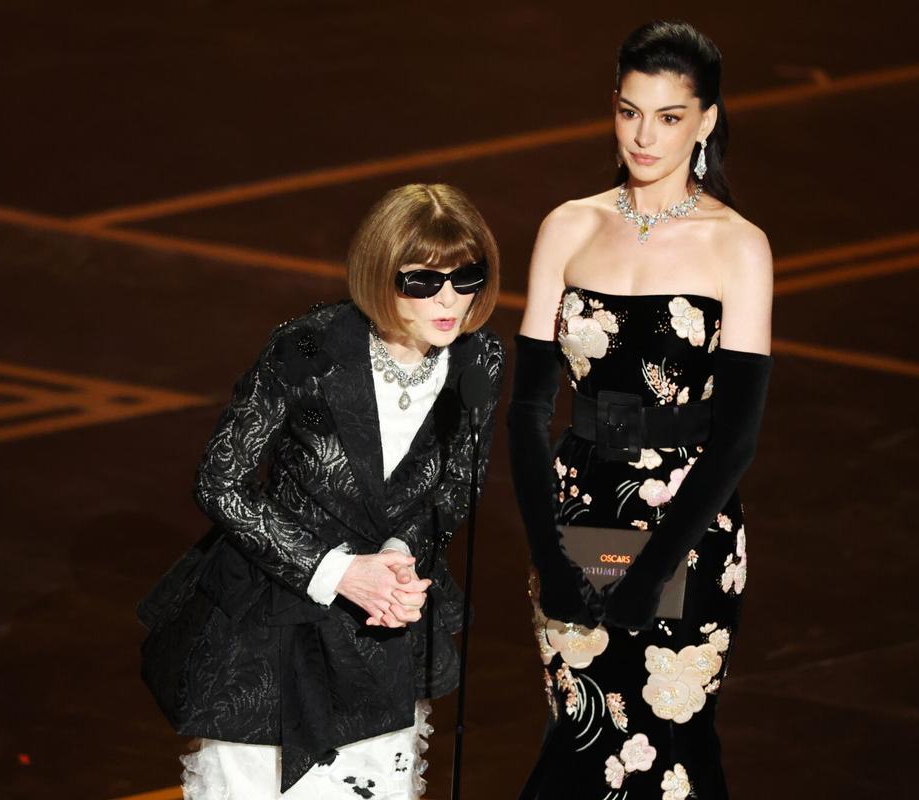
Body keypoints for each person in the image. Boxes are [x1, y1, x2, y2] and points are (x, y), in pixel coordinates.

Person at [137, 183, 503, 799]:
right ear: (380, 275)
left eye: (466, 278)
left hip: (380, 626)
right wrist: (337, 572)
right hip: (270, 623)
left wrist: (397, 560)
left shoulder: (479, 358)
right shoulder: (308, 350)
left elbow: (459, 485)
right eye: (423, 282)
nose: (450, 301)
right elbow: (220, 481)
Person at [508, 21, 773, 799]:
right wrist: (550, 559)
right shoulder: (568, 226)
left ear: (707, 121)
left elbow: (737, 440)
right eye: (629, 112)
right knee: (584, 733)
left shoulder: (739, 247)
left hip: (690, 524)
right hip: (577, 512)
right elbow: (527, 409)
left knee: (671, 747)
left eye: (668, 117)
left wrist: (650, 573)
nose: (644, 135)